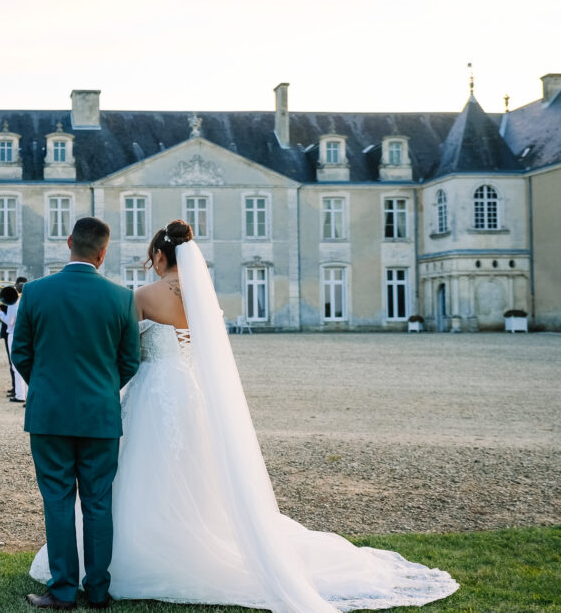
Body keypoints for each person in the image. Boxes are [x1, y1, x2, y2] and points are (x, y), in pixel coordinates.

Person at [30, 220, 459, 611]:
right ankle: (107, 584)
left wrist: (72, 386)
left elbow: (83, 356)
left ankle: (77, 580)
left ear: (160, 257)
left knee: (98, 488)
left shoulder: (135, 297)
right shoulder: (201, 301)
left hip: (137, 398)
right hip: (188, 397)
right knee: (150, 489)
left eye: (151, 257)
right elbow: (138, 358)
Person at [11, 217, 141, 610]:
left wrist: (49, 388)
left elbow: (21, 354)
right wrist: (101, 390)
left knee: (58, 499)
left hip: (49, 414)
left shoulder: (34, 293)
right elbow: (129, 361)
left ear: (68, 243)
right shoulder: (122, 298)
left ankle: (64, 589)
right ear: (104, 253)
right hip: (100, 414)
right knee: (98, 502)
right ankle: (98, 590)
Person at [0, 276, 28, 403]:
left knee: (16, 366)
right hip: (26, 334)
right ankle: (25, 394)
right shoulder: (27, 300)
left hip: (14, 335)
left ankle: (20, 395)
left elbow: (9, 321)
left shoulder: (14, 302)